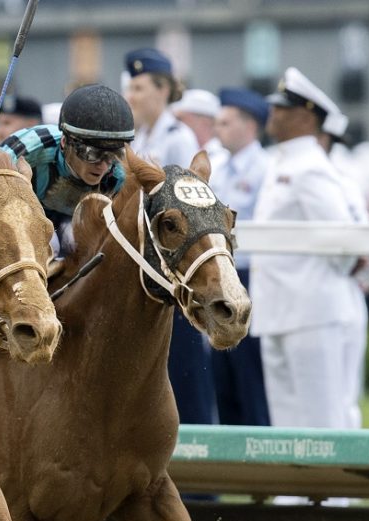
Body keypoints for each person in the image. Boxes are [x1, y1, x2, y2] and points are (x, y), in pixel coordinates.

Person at [250, 67, 358, 429]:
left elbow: (344, 240)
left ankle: (335, 490)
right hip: (280, 310)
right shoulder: (284, 160)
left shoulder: (311, 166)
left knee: (323, 424)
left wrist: (320, 285)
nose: (273, 114)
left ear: (305, 116)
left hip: (312, 313)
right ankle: (292, 490)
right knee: (288, 427)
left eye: (282, 108)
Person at [124, 48, 215, 427]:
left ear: (163, 90)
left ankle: (199, 481)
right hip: (149, 266)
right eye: (131, 86)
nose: (131, 95)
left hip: (176, 264)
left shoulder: (178, 139)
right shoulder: (143, 135)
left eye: (140, 87)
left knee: (182, 371)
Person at [0, 84, 132, 254]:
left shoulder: (118, 176)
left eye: (113, 155)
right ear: (64, 142)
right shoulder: (26, 150)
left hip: (73, 224)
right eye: (92, 154)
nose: (103, 166)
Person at [208, 87, 271, 426]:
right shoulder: (217, 166)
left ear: (249, 125)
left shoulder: (266, 168)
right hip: (219, 274)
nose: (218, 129)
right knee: (222, 371)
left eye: (226, 122)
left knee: (250, 372)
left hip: (250, 276)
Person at [318, 105, 369, 429]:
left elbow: (362, 246)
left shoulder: (339, 178)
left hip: (341, 290)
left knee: (341, 396)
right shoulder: (336, 175)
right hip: (337, 291)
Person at [171, 88, 227, 166]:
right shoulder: (178, 149)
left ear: (204, 121)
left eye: (180, 119)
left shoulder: (221, 158)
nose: (175, 123)